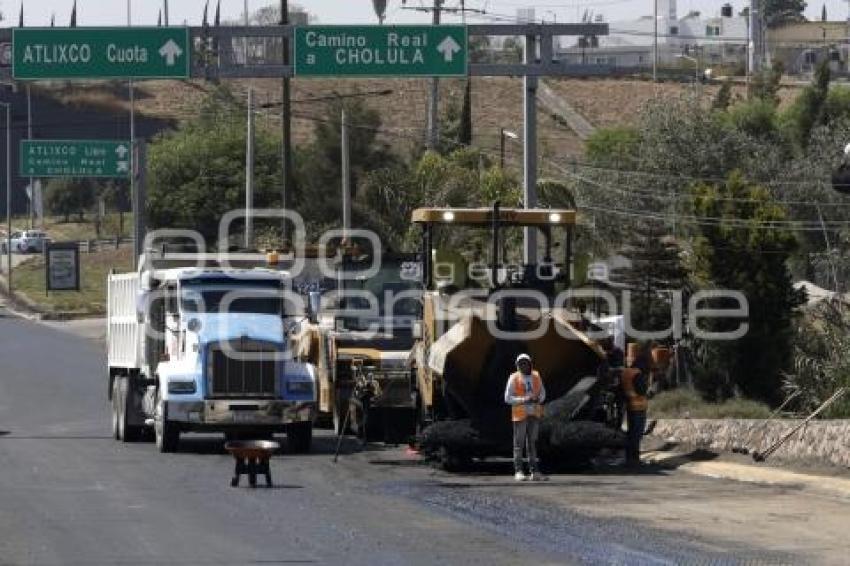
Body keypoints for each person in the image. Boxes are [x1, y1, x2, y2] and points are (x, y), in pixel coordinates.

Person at [504, 353, 547, 481]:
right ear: (517, 365)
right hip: (520, 414)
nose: (523, 365)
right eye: (520, 363)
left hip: (534, 412)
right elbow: (507, 398)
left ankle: (534, 471)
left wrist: (538, 398)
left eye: (525, 363)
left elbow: (543, 393)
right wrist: (523, 399)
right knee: (519, 444)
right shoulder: (514, 378)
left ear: (530, 364)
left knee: (532, 443)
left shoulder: (536, 376)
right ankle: (518, 471)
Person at [621, 354, 650, 468]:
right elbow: (642, 390)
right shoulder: (638, 374)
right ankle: (634, 460)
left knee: (631, 433)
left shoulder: (626, 372)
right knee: (637, 434)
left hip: (630, 406)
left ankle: (629, 458)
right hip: (639, 407)